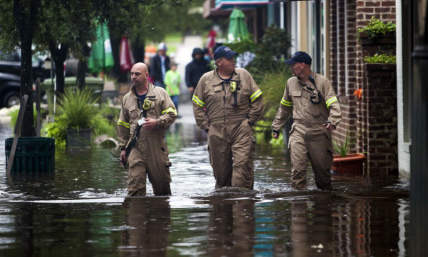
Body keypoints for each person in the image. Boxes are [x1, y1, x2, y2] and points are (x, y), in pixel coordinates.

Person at [192, 46, 264, 190]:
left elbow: (257, 99)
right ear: (219, 62)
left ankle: (242, 205)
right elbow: (197, 104)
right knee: (221, 175)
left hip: (241, 127)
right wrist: (206, 126)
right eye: (229, 58)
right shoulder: (206, 80)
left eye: (233, 58)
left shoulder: (244, 75)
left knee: (242, 168)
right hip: (216, 129)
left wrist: (250, 121)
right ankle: (223, 208)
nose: (233, 61)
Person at [271, 51, 341, 190]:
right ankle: (298, 206)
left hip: (319, 131)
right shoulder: (290, 83)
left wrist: (333, 120)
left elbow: (334, 104)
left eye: (293, 65)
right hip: (298, 130)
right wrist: (276, 126)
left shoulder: (322, 82)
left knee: (323, 177)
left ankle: (323, 207)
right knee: (298, 171)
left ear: (302, 65)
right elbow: (285, 107)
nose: (290, 68)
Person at [117, 62, 177, 196]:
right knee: (135, 190)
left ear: (146, 75)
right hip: (135, 148)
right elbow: (123, 124)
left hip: (156, 147)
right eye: (132, 74)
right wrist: (123, 148)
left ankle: (160, 215)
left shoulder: (160, 93)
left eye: (137, 74)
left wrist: (157, 122)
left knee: (162, 192)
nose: (133, 77)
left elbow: (172, 113)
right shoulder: (127, 98)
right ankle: (137, 215)